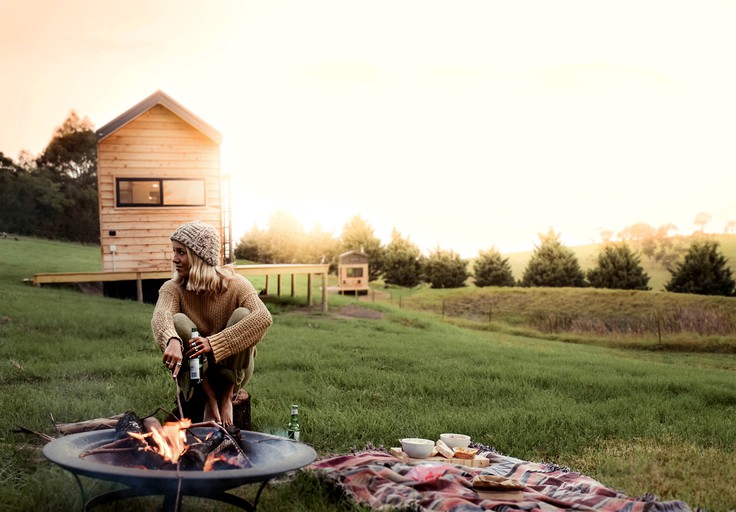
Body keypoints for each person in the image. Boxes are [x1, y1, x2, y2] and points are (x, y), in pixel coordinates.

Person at [151, 220, 272, 426]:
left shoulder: (236, 284)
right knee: (178, 321)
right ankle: (208, 398)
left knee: (244, 314)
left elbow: (263, 317)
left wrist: (214, 343)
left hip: (233, 371)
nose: (174, 259)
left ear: (199, 256)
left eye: (181, 252)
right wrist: (170, 338)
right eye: (174, 251)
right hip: (195, 375)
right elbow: (161, 315)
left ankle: (225, 398)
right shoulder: (173, 288)